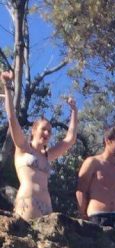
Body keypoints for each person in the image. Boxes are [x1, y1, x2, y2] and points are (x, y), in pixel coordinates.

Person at [1, 70, 78, 222]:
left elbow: (70, 139)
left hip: (47, 207)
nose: (47, 133)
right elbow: (12, 118)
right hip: (27, 204)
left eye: (50, 131)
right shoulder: (23, 148)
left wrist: (74, 111)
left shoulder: (47, 155)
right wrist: (7, 85)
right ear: (34, 130)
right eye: (44, 129)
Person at [76, 126, 115, 235]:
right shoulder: (93, 162)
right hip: (97, 216)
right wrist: (83, 216)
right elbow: (81, 190)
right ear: (107, 140)